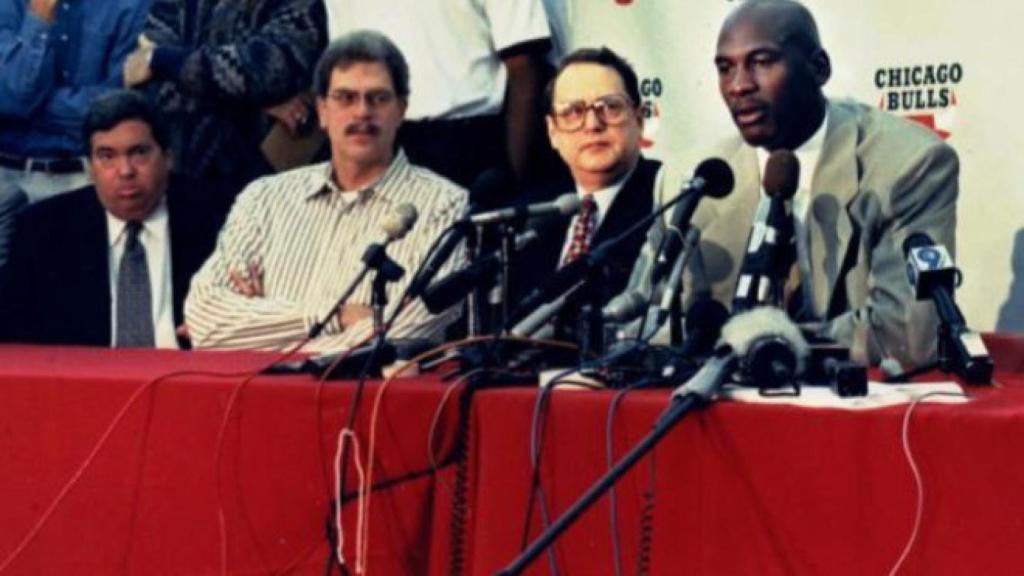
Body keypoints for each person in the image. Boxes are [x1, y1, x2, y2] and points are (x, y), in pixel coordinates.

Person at [630, 0, 958, 369]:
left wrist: (772, 343)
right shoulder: (693, 180)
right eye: (725, 68)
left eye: (762, 62)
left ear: (819, 68)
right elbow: (643, 330)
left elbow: (905, 334)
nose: (739, 86)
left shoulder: (906, 165)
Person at [184, 31, 468, 352]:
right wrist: (338, 316)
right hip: (262, 399)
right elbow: (204, 318)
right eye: (345, 98)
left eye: (378, 98)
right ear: (322, 111)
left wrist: (266, 335)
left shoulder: (443, 205)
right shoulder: (263, 198)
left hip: (367, 399)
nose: (362, 112)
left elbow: (413, 329)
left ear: (401, 110)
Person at [0, 90, 227, 348]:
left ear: (168, 157)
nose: (125, 171)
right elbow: (14, 340)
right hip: (89, 382)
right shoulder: (42, 230)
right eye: (107, 156)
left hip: (191, 378)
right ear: (90, 167)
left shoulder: (222, 220)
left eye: (139, 152)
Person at [507, 47, 678, 338]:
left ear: (639, 119)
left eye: (610, 107)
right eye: (573, 112)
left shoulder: (668, 198)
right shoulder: (531, 212)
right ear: (552, 132)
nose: (592, 124)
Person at [324, 0, 552, 188]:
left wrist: (516, 172)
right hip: (382, 138)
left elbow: (524, 63)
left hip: (471, 144)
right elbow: (346, 65)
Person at [0, 0, 151, 266]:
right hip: (4, 178)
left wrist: (29, 107)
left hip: (82, 179)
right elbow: (11, 96)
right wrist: (39, 18)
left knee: (73, 298)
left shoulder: (131, 6)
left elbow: (116, 111)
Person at [123, 0, 326, 192]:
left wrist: (167, 63)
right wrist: (253, 102)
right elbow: (152, 83)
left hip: (268, 184)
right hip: (179, 176)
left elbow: (269, 69)